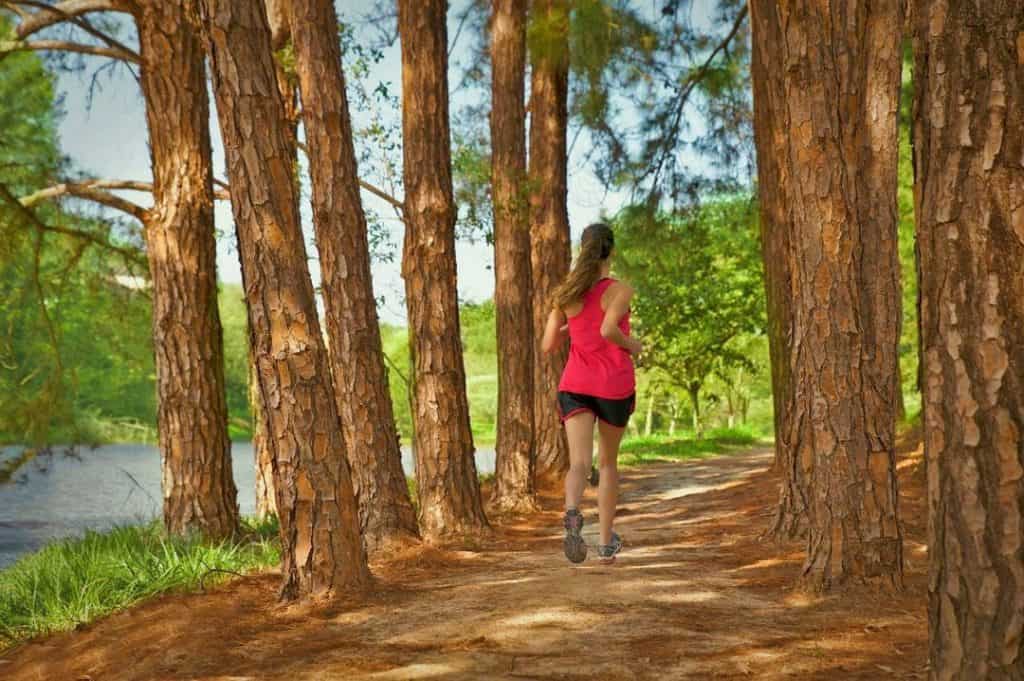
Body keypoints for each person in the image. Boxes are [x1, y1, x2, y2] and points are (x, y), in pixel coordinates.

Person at [541, 223, 641, 564]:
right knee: (608, 464)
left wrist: (570, 326)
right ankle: (605, 543)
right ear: (610, 251)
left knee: (579, 462)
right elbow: (608, 329)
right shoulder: (621, 289)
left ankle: (572, 513)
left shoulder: (565, 293)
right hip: (612, 384)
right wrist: (633, 345)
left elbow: (548, 345)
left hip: (575, 385)